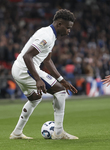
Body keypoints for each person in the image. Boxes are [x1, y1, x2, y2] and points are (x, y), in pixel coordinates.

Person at [10, 9, 79, 140]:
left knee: (35, 98)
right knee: (60, 92)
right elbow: (27, 56)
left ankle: (17, 133)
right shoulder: (46, 37)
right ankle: (58, 133)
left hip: (18, 69)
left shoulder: (50, 34)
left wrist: (61, 79)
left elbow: (47, 60)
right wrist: (38, 79)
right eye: (68, 27)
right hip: (26, 70)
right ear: (59, 24)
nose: (69, 31)